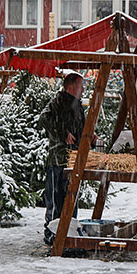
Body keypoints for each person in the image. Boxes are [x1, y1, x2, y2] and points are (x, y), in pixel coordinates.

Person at [38, 72, 85, 244]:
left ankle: (68, 233)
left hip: (73, 160)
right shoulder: (58, 102)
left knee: (71, 199)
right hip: (58, 160)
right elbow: (44, 118)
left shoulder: (77, 105)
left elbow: (79, 127)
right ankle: (52, 234)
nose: (83, 89)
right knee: (56, 201)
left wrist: (89, 136)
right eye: (81, 86)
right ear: (71, 87)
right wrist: (62, 133)